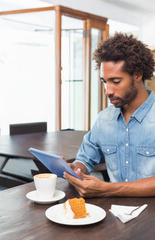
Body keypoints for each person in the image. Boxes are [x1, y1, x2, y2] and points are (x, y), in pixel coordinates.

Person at [64, 32, 155, 198]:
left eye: (116, 81)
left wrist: (106, 188)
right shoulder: (104, 119)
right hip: (114, 215)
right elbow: (85, 159)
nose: (108, 91)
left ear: (137, 74)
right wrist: (75, 169)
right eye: (104, 81)